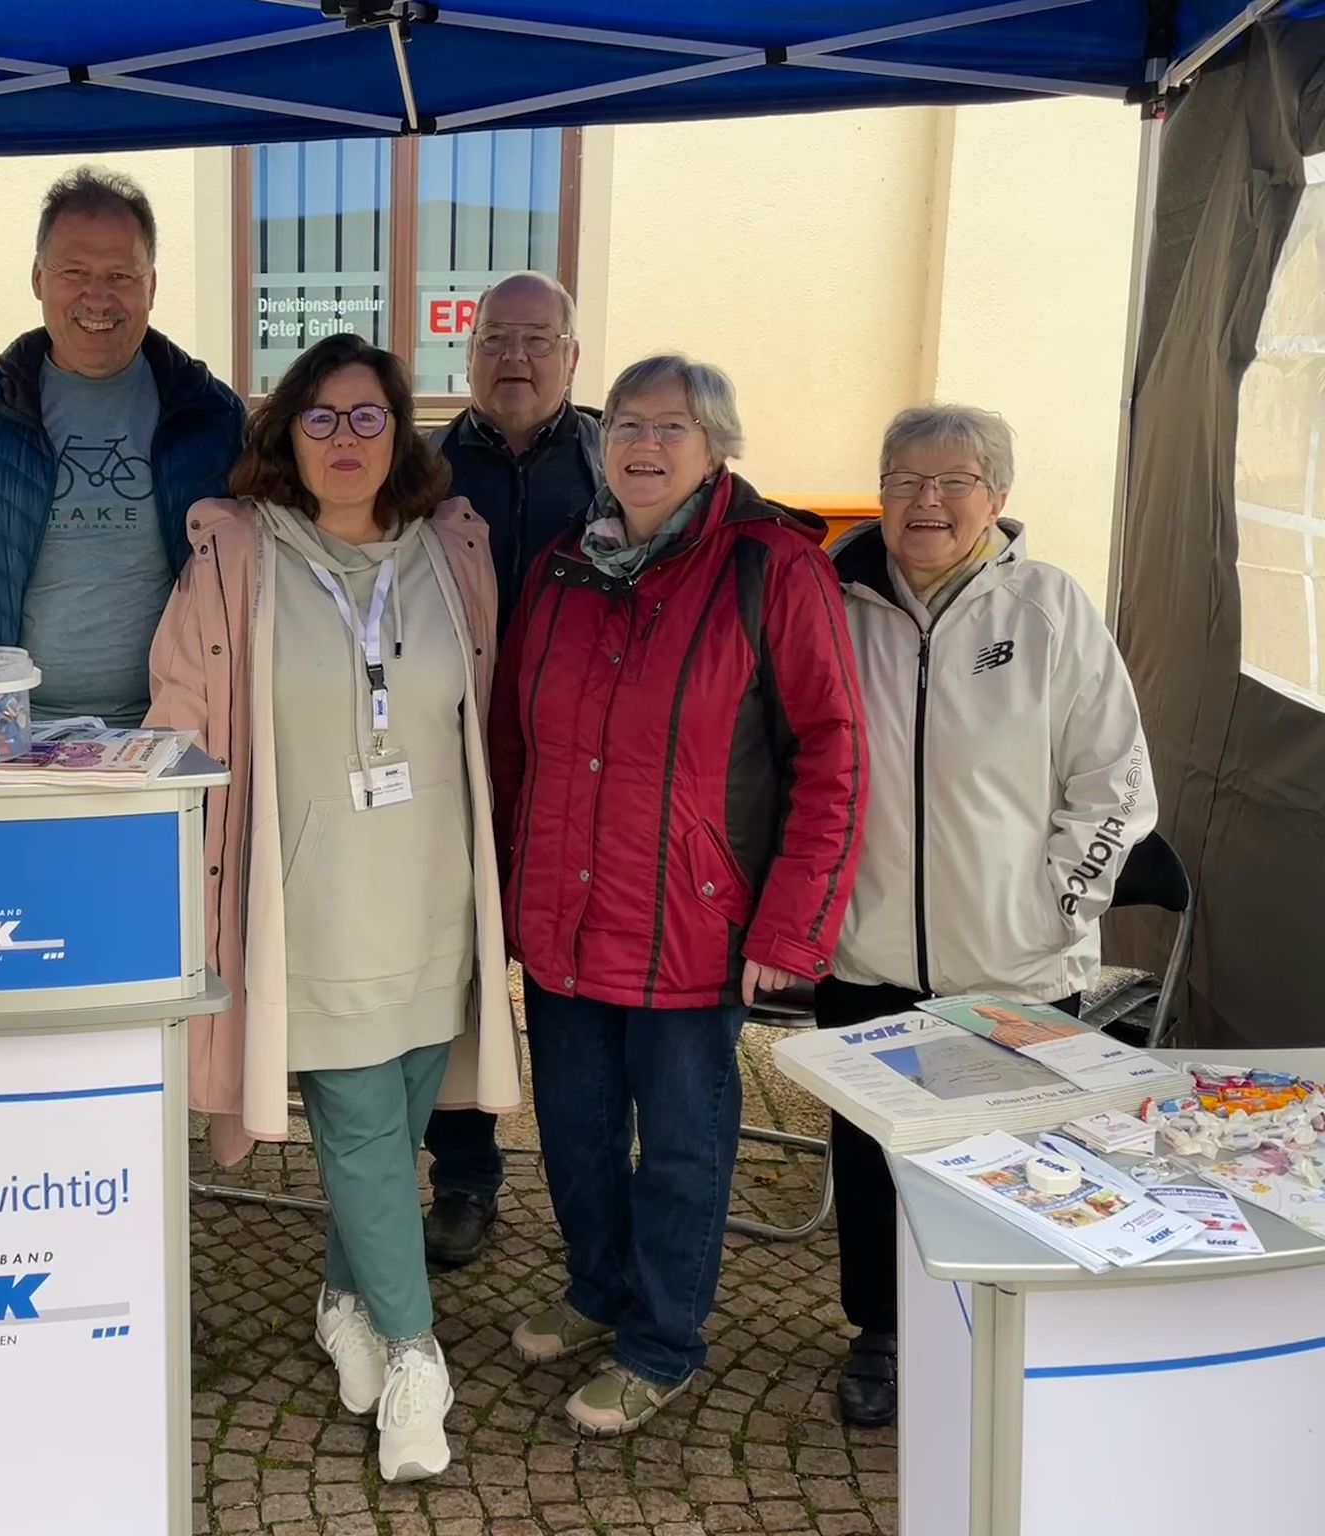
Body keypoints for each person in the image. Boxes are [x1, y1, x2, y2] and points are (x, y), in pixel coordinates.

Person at [146, 334, 521, 1482]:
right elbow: (181, 712)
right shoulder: (238, 554)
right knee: (360, 1129)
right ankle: (415, 1360)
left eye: (369, 419)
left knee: (397, 1127)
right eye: (320, 419)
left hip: (431, 894)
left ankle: (340, 1299)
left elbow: (484, 711)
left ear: (399, 433)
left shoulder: (451, 551)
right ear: (283, 437)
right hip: (308, 902)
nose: (346, 441)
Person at [491, 354, 866, 1436]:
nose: (644, 447)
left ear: (716, 447)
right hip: (564, 915)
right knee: (569, 1128)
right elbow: (515, 742)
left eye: (672, 428)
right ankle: (598, 1291)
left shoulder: (770, 568)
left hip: (693, 924)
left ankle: (662, 1339)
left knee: (686, 1146)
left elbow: (831, 752)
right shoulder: (563, 564)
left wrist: (793, 922)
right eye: (627, 428)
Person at [821, 404, 1155, 1427]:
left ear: (994, 499)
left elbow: (1115, 783)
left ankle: (997, 1326)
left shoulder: (1049, 608)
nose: (924, 501)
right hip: (866, 955)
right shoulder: (831, 602)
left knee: (1007, 1157)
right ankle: (881, 1331)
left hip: (1013, 965)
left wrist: (1055, 907)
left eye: (951, 480)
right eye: (902, 479)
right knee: (872, 1160)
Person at [0, 167, 246, 724]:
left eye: (121, 274)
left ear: (152, 286)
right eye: (75, 271)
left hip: (168, 733)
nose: (98, 296)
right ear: (38, 278)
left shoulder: (212, 417)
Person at [421, 270, 602, 1269]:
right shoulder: (422, 468)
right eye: (496, 338)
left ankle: (592, 1181)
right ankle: (465, 1177)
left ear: (572, 356)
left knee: (575, 981)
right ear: (469, 352)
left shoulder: (621, 461)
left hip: (586, 772)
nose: (516, 357)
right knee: (460, 977)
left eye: (538, 339)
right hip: (453, 761)